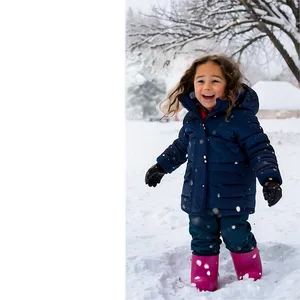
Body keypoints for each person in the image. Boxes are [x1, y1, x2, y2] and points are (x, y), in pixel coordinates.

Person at [145, 54, 283, 292]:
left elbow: (260, 149)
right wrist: (161, 167)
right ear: (192, 84)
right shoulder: (192, 119)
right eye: (200, 81)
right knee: (201, 239)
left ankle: (251, 280)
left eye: (214, 81)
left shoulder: (240, 118)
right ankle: (203, 284)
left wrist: (270, 179)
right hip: (198, 197)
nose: (206, 87)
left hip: (232, 198)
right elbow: (180, 148)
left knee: (237, 236)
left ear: (228, 84)